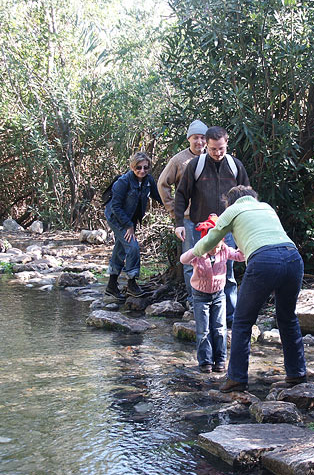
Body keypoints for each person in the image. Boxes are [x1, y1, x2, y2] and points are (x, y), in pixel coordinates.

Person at [188, 185, 306, 392]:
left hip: (264, 261)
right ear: (253, 197)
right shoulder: (266, 207)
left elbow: (211, 239)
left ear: (230, 202)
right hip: (293, 257)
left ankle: (237, 378)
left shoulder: (232, 210)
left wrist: (193, 253)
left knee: (242, 321)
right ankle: (296, 373)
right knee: (288, 318)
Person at [174, 126, 250, 326]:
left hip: (228, 227)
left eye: (221, 149)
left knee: (229, 270)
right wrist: (179, 223)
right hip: (199, 226)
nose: (217, 153)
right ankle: (196, 307)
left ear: (227, 144)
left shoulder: (235, 166)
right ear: (206, 146)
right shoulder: (195, 166)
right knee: (194, 267)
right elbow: (181, 195)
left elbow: (246, 196)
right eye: (213, 149)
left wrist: (245, 224)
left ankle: (229, 316)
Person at [180, 214, 245, 374]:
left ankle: (220, 360)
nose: (215, 249)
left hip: (219, 295)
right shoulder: (198, 253)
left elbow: (240, 256)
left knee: (220, 329)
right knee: (203, 331)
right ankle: (205, 362)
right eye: (211, 245)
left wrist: (243, 243)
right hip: (200, 296)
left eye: (217, 244)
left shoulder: (224, 250)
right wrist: (196, 249)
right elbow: (183, 259)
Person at [157, 120, 208, 307]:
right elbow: (162, 185)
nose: (200, 142)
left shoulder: (213, 157)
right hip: (187, 219)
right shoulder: (179, 160)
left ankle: (209, 298)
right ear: (189, 139)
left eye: (203, 138)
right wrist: (174, 211)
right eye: (196, 138)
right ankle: (193, 299)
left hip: (210, 220)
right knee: (190, 260)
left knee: (211, 259)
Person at [104, 151, 162, 298]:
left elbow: (158, 196)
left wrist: (175, 205)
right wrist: (128, 225)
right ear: (132, 167)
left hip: (131, 218)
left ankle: (111, 285)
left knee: (120, 247)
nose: (142, 171)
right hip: (117, 218)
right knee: (133, 246)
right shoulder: (123, 182)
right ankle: (131, 282)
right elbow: (116, 207)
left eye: (145, 167)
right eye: (138, 167)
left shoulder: (148, 181)